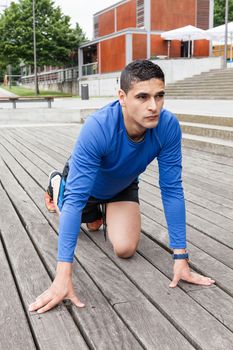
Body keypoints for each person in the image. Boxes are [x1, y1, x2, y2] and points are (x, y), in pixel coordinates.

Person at [29, 60, 215, 314]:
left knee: (125, 249)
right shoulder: (98, 128)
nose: (153, 106)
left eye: (159, 96)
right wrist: (62, 278)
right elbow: (76, 201)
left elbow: (172, 189)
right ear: (122, 97)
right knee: (78, 216)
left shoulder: (168, 126)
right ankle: (57, 185)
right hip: (85, 184)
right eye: (142, 97)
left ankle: (102, 214)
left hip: (122, 185)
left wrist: (181, 258)